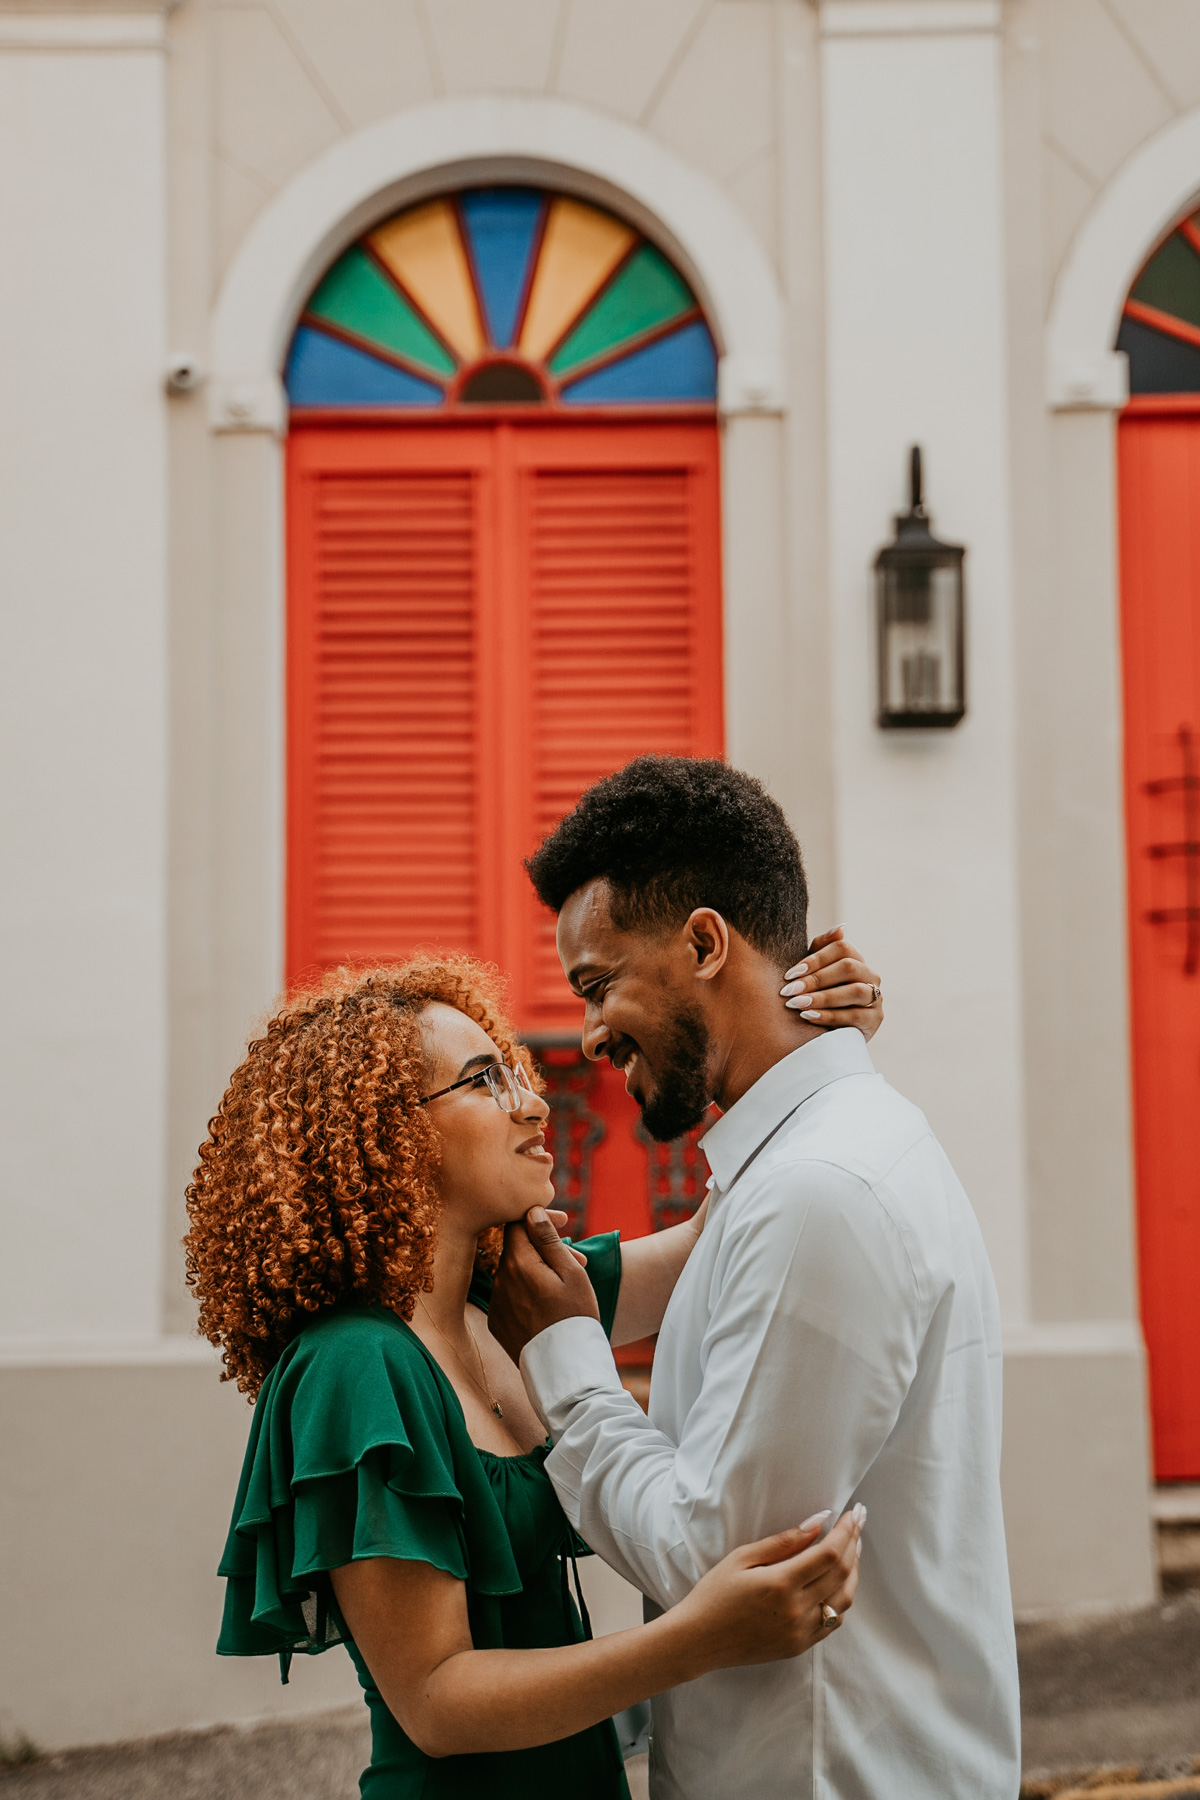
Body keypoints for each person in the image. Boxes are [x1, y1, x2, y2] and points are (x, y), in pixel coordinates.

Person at [184, 951, 871, 1800]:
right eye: (485, 1081)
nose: (536, 1102)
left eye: (515, 1072)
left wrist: (817, 1050)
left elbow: (720, 1231)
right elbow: (437, 1701)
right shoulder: (353, 1365)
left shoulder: (512, 1299)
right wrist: (703, 1637)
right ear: (385, 1132)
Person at [489, 755, 1022, 1800]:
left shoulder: (817, 1190)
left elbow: (717, 1562)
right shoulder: (823, 1155)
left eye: (599, 985)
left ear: (702, 942)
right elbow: (694, 1261)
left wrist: (568, 1369)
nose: (589, 1032)